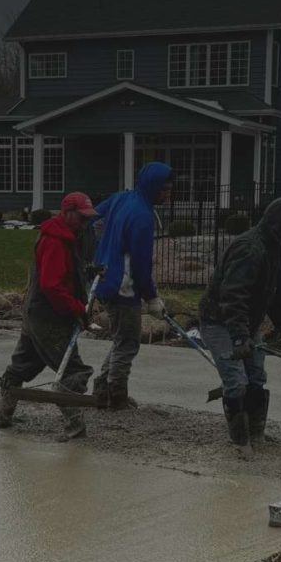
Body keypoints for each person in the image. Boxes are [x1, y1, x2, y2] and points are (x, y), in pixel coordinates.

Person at [198, 197, 281, 453]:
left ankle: (256, 433)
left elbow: (278, 299)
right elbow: (234, 295)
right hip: (219, 320)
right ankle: (240, 442)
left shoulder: (276, 250)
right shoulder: (250, 249)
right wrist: (240, 337)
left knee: (256, 378)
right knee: (237, 381)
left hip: (246, 322)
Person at [0, 192, 102, 440]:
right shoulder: (55, 241)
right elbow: (52, 285)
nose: (86, 223)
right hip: (48, 315)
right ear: (67, 213)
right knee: (73, 370)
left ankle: (3, 416)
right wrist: (77, 308)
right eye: (82, 217)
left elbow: (65, 277)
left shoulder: (67, 236)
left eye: (88, 218)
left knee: (22, 365)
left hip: (36, 312)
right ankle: (75, 427)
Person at [89, 162, 173, 409]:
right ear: (153, 187)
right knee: (128, 343)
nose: (168, 194)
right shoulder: (142, 217)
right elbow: (140, 264)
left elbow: (93, 218)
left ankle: (103, 389)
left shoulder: (122, 198)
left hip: (104, 279)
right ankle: (116, 396)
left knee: (121, 339)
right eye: (164, 189)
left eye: (170, 189)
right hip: (123, 286)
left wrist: (101, 248)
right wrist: (152, 298)